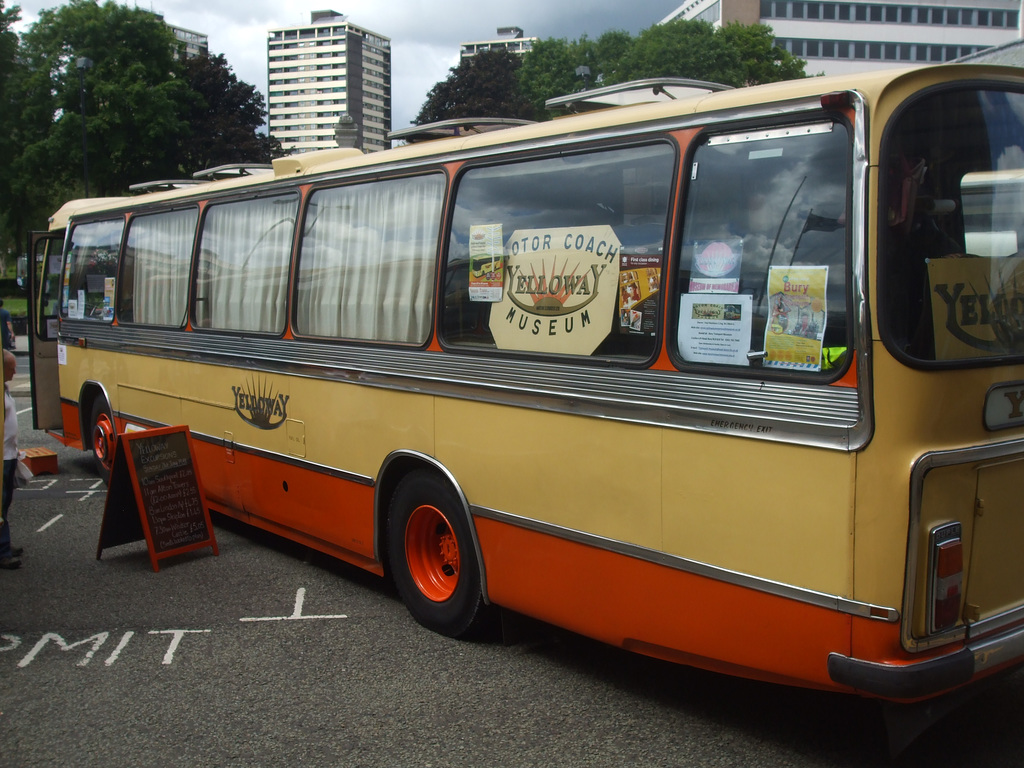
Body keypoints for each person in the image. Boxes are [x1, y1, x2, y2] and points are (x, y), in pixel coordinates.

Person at [1, 349, 21, 569]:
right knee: (1, 503)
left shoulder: (4, 389)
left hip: (10, 454)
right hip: (3, 458)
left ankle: (4, 543)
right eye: (11, 367)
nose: (16, 371)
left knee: (5, 503)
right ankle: (2, 551)